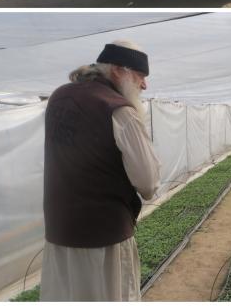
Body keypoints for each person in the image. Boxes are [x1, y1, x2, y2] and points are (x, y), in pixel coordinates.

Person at [41, 41, 161, 301]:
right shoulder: (118, 109)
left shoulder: (58, 97)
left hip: (60, 234)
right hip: (105, 239)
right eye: (140, 76)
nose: (144, 85)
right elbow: (148, 182)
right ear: (118, 70)